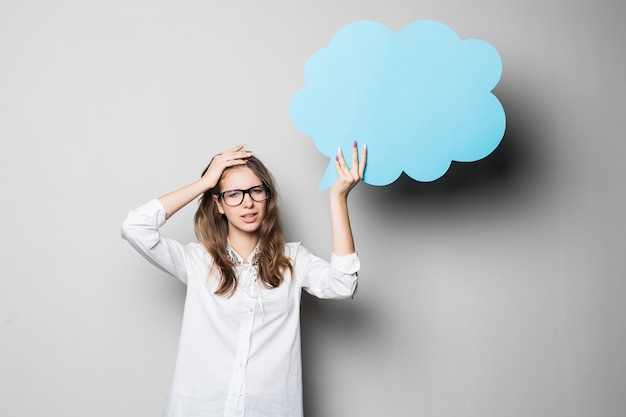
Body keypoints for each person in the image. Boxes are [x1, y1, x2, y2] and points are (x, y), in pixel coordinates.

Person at [121, 142, 367, 417]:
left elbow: (343, 284)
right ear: (219, 204)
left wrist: (338, 197)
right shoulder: (196, 261)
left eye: (255, 191)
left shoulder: (293, 259)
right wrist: (204, 183)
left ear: (267, 197)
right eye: (234, 194)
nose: (247, 202)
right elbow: (135, 228)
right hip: (199, 408)